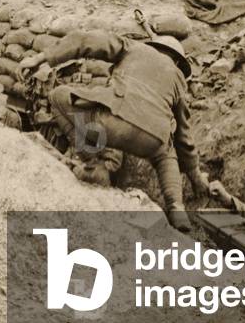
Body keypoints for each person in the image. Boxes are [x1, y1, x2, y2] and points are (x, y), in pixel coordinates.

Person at [18, 31, 209, 231]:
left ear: (152, 47)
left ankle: (94, 165)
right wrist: (196, 176)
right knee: (167, 151)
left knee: (58, 96)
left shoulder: (133, 47)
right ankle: (177, 209)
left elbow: (85, 41)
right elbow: (184, 138)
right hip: (151, 138)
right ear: (178, 62)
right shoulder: (179, 79)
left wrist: (40, 58)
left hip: (111, 123)